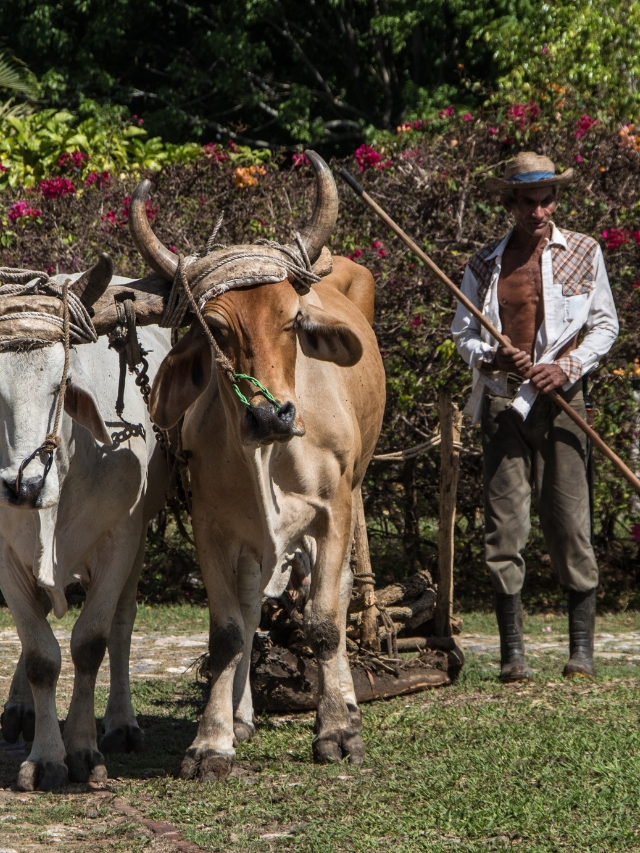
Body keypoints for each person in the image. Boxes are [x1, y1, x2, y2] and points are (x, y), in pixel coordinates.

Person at [451, 151, 619, 681]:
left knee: (571, 525)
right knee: (504, 530)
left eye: (547, 200)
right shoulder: (484, 264)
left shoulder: (585, 253)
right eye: (528, 202)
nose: (539, 211)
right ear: (510, 203)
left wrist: (566, 366)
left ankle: (581, 654)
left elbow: (605, 326)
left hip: (565, 404)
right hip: (504, 404)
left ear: (556, 200)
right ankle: (513, 657)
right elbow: (462, 334)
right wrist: (490, 355)